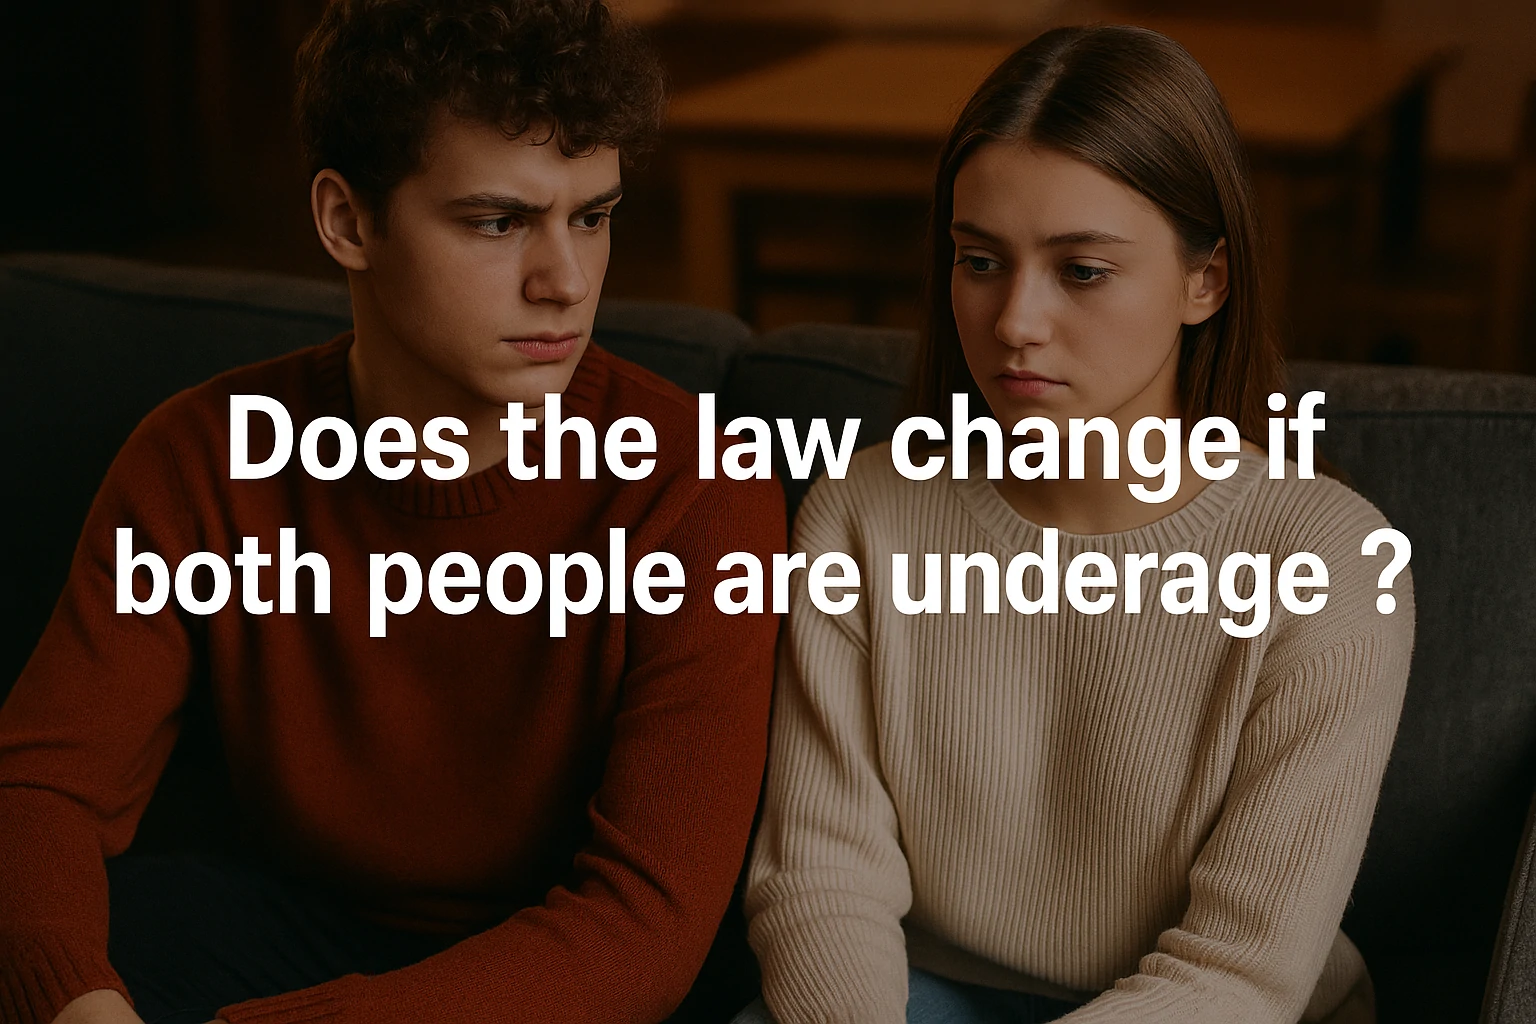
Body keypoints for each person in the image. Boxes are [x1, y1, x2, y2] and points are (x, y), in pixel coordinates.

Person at [0, 2, 785, 1023]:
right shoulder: (198, 458)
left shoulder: (697, 483)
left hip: (571, 981)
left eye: (591, 215)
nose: (567, 281)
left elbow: (645, 925)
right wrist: (77, 1006)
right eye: (499, 221)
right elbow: (40, 792)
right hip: (292, 931)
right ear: (346, 221)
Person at [734, 24, 1415, 1024]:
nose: (1014, 321)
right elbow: (820, 881)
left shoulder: (1330, 559)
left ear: (1206, 281)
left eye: (1082, 270)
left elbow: (1240, 973)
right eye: (979, 260)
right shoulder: (862, 514)